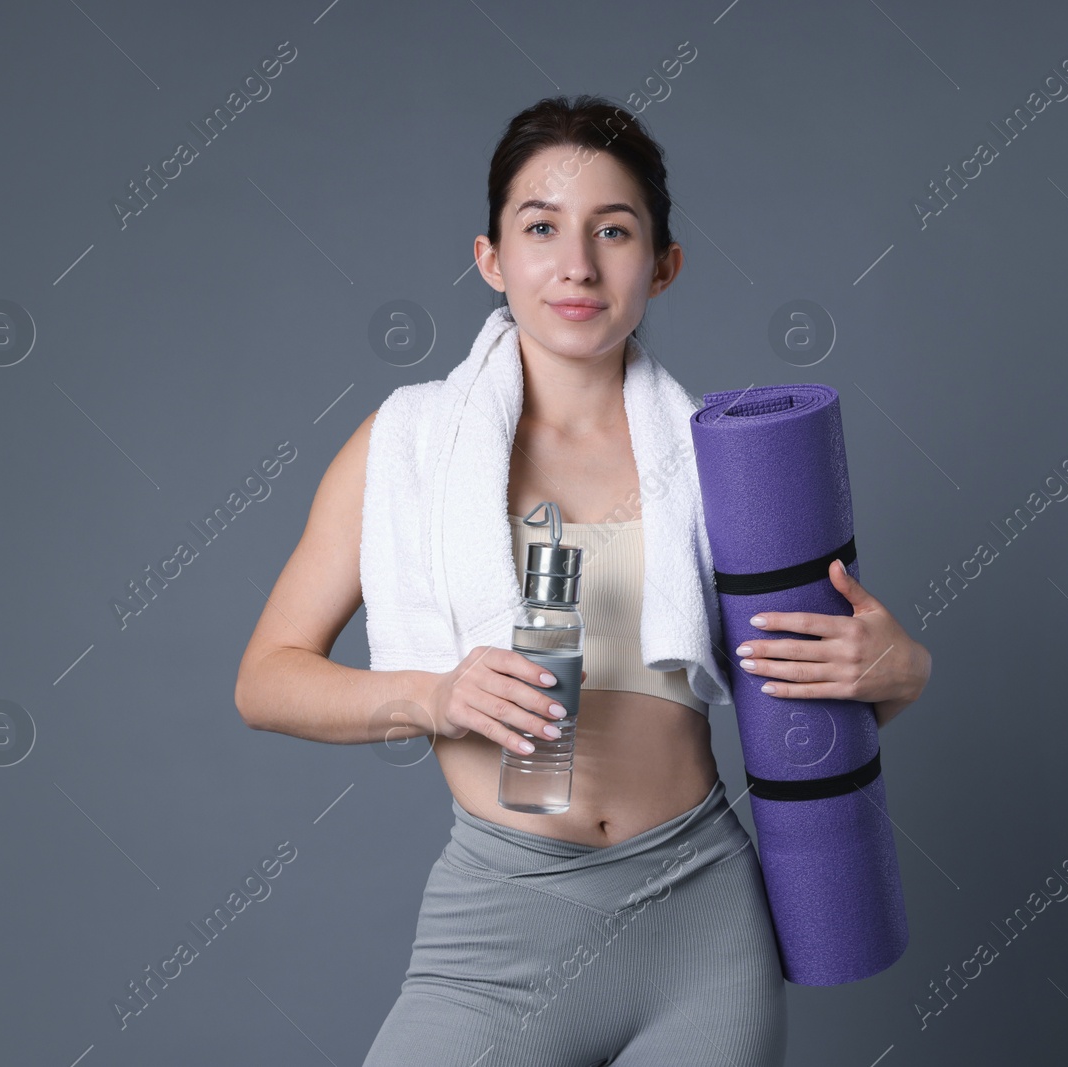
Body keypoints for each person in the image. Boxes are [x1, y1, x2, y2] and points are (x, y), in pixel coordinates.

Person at [234, 95, 932, 1067]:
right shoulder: (404, 444)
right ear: (490, 259)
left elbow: (801, 710)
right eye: (541, 227)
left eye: (614, 229)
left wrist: (896, 673)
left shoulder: (721, 465)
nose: (577, 263)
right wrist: (432, 692)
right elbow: (265, 678)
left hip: (702, 919)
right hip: (502, 922)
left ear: (662, 264)